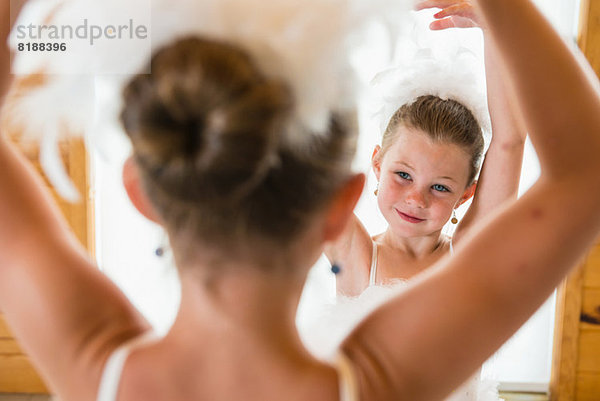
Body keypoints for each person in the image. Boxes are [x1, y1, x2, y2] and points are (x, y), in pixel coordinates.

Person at [1, 1, 600, 401]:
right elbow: (584, 173)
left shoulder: (94, 367)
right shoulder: (382, 380)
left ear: (142, 192)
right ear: (341, 205)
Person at [327, 0, 527, 297]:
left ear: (466, 194)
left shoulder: (468, 259)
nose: (416, 199)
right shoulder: (354, 254)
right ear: (378, 164)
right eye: (404, 175)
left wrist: (492, 26)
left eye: (440, 187)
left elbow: (510, 142)